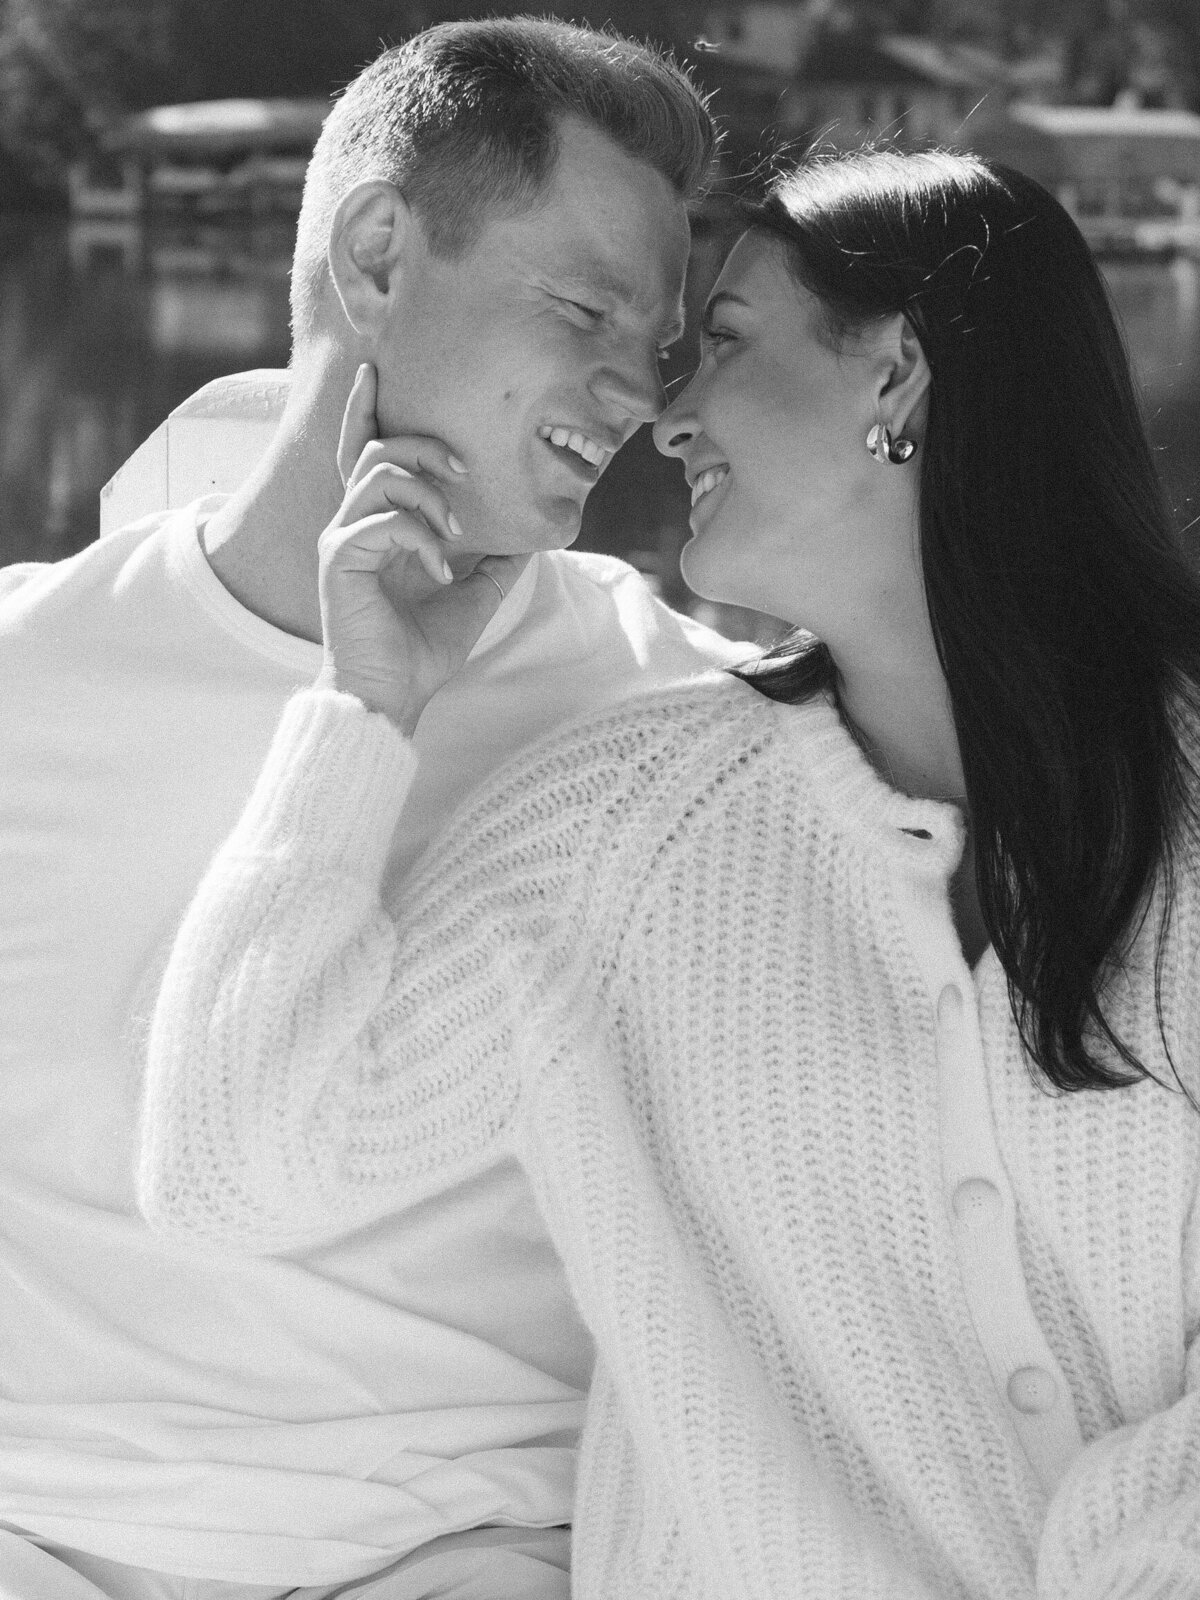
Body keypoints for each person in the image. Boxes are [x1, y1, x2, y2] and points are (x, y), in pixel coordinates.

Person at [137, 144, 1200, 1599]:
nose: (669, 417)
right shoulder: (626, 833)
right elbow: (230, 1166)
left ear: (897, 375)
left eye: (729, 343)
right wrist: (362, 709)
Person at [0, 18, 750, 1600]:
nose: (637, 391)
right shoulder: (23, 674)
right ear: (377, 256)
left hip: (463, 1553)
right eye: (585, 309)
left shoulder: (677, 714)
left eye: (660, 341)